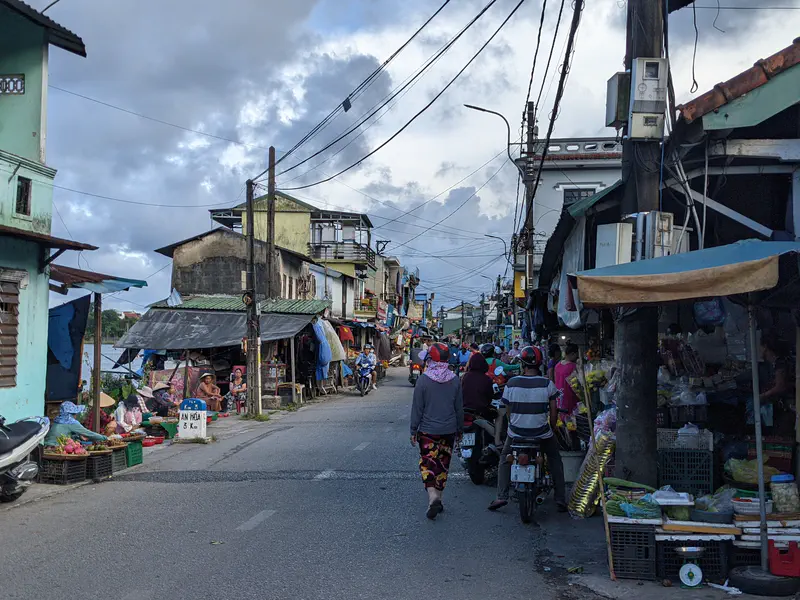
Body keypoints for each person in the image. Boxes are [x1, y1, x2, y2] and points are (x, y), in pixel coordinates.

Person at [488, 346, 566, 512]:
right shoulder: (547, 384)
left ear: (522, 363)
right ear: (539, 364)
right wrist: (552, 428)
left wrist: (515, 424)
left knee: (504, 458)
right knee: (554, 459)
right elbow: (553, 413)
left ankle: (501, 496)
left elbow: (507, 411)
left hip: (516, 433)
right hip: (541, 433)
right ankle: (560, 498)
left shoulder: (511, 383)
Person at [410, 342, 463, 520]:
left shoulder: (424, 379)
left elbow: (417, 408)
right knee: (443, 464)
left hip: (427, 431)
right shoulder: (455, 379)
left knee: (428, 463)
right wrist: (460, 429)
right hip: (448, 430)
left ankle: (433, 497)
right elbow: (459, 408)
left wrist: (413, 429)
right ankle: (438, 498)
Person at [754, 333, 796, 433]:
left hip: (789, 406)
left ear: (765, 347)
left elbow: (780, 386)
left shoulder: (780, 362)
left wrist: (762, 396)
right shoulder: (781, 361)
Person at [44, 401, 108, 446]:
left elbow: (64, 433)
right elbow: (88, 433)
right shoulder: (71, 422)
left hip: (46, 445)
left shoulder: (57, 420)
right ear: (72, 413)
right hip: (57, 447)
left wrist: (77, 437)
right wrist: (105, 438)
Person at [554, 343, 579, 420]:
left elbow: (555, 380)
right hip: (569, 396)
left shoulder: (558, 365)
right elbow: (577, 385)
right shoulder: (573, 366)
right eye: (577, 355)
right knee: (570, 418)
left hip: (559, 395)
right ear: (573, 354)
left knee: (561, 416)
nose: (577, 357)